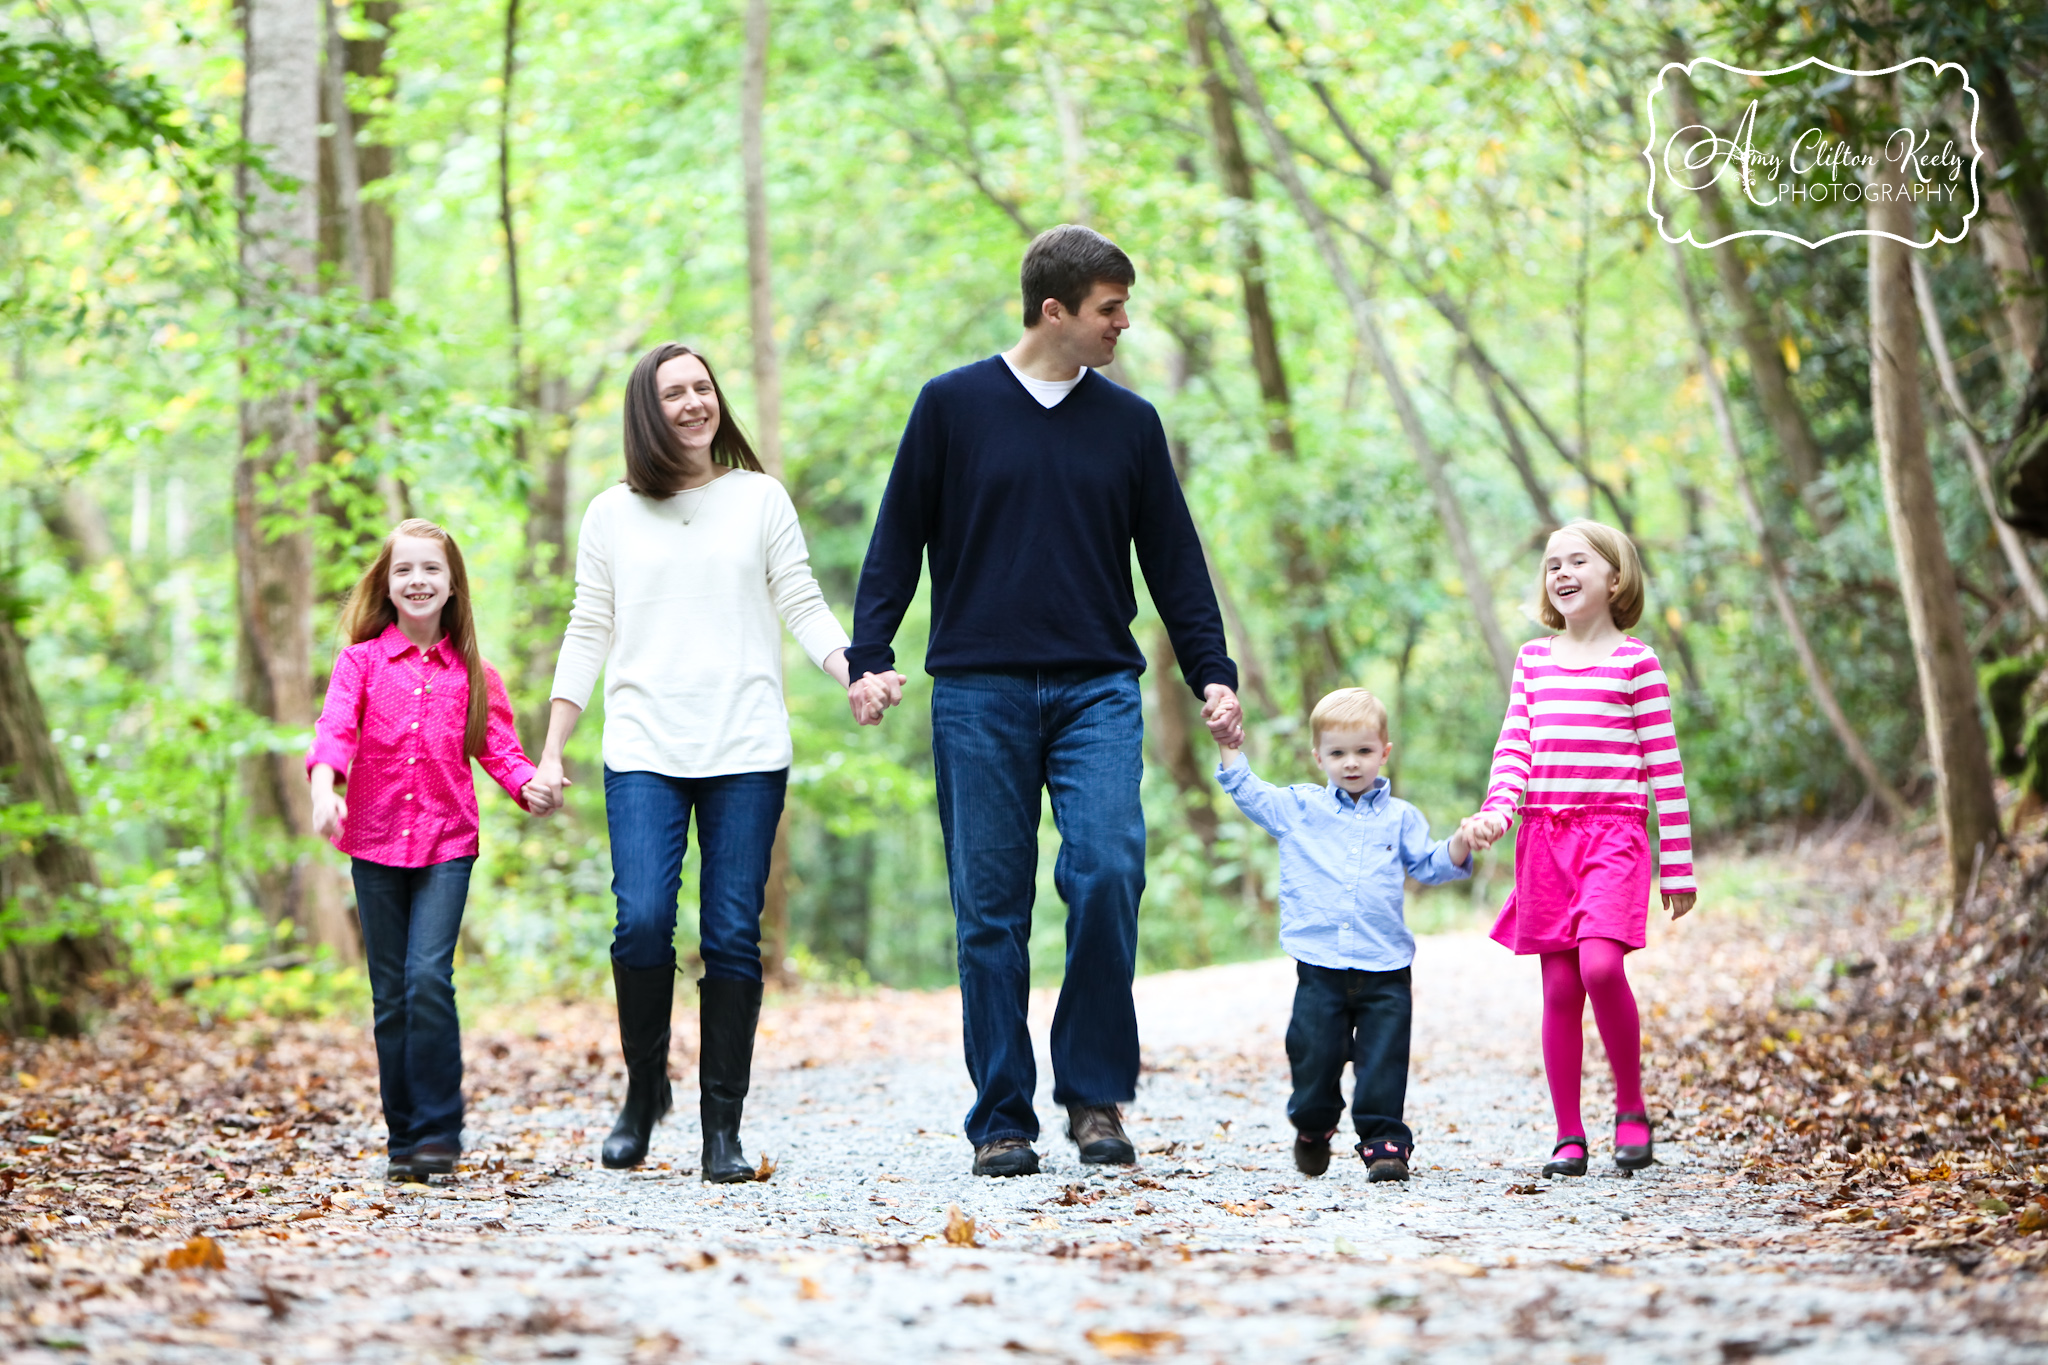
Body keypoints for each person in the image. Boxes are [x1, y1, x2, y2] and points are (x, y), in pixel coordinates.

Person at [848, 224, 1243, 1178]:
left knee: (1108, 870)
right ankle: (1001, 1116)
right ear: (1055, 310)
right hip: (978, 690)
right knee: (990, 906)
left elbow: (1175, 561)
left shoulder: (1131, 424)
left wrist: (1212, 670)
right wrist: (870, 653)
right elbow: (897, 538)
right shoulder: (952, 407)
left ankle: (1095, 1094)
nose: (1123, 324)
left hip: (1097, 688)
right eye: (1111, 308)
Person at [530, 342, 890, 1180]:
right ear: (646, 412)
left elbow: (800, 598)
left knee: (732, 935)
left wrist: (853, 674)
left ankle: (720, 1127)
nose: (694, 402)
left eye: (703, 388)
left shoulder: (759, 498)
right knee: (644, 922)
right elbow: (588, 627)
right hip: (645, 746)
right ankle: (643, 1085)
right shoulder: (610, 515)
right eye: (674, 393)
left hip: (746, 746)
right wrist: (552, 743)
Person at [308, 518, 555, 1183]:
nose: (417, 580)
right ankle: (405, 1139)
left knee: (427, 979)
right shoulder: (359, 663)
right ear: (388, 586)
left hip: (448, 842)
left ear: (451, 586)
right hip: (374, 839)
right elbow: (333, 731)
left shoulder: (476, 674)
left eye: (431, 570)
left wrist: (530, 784)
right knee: (389, 995)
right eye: (404, 570)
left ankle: (439, 1134)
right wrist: (323, 788)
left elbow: (500, 748)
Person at [1460, 519, 1697, 1177]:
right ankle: (1569, 1132)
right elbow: (1515, 747)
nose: (1560, 573)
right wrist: (1497, 810)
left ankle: (1630, 1105)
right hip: (1544, 836)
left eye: (1577, 561)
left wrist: (1676, 862)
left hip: (1613, 833)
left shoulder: (1636, 662)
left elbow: (1665, 768)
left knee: (1599, 967)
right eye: (1551, 564)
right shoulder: (1534, 660)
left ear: (1614, 577)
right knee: (1561, 984)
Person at [1214, 689, 1471, 1182]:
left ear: (1384, 751)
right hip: (1320, 967)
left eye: (1363, 751)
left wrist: (1460, 843)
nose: (1351, 763)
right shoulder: (1299, 809)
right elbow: (1246, 788)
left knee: (1383, 1061)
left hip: (1386, 967)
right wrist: (1228, 742)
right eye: (1337, 753)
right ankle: (1313, 1128)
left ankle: (1384, 1144)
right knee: (1313, 1059)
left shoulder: (1402, 816)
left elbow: (1432, 865)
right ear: (1318, 756)